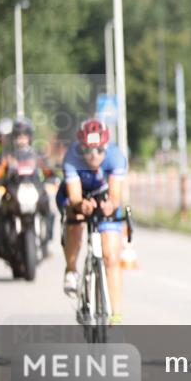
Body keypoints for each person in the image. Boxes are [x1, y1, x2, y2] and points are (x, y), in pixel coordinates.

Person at [57, 118, 128, 324]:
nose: (93, 156)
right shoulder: (71, 157)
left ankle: (115, 314)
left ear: (106, 147)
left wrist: (110, 206)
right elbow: (75, 196)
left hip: (104, 195)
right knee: (76, 221)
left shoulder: (115, 157)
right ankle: (71, 270)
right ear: (81, 147)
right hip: (80, 194)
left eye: (98, 150)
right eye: (87, 150)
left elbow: (115, 195)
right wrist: (80, 205)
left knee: (111, 256)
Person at [0, 119, 57, 257]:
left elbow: (48, 170)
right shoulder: (7, 155)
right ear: (13, 137)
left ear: (30, 137)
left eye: (24, 135)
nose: (21, 139)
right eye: (18, 135)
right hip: (14, 191)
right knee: (0, 210)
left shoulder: (37, 154)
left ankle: (46, 242)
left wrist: (53, 177)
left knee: (48, 207)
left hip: (34, 190)